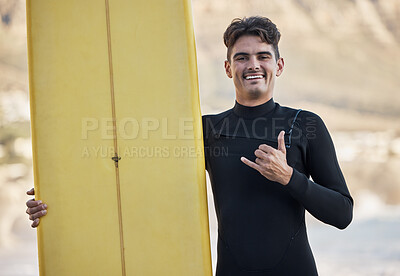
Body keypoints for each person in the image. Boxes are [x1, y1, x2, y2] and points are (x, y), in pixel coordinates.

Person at [26, 16, 353, 275]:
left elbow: (342, 213)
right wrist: (57, 198)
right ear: (228, 68)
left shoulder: (305, 125)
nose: (252, 64)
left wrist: (289, 178)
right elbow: (127, 173)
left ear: (278, 66)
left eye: (262, 56)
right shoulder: (206, 130)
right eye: (241, 58)